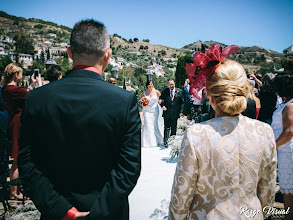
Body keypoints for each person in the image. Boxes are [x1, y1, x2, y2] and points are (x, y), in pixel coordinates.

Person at [18, 19, 141, 220]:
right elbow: (128, 168)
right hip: (108, 214)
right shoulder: (124, 101)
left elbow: (28, 164)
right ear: (107, 56)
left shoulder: (36, 99)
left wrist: (62, 210)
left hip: (55, 214)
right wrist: (97, 213)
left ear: (69, 53)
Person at [169, 44, 277, 220]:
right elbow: (267, 194)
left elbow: (181, 198)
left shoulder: (196, 134)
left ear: (209, 94)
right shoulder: (264, 131)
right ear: (244, 91)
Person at [1, 63, 42, 200]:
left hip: (13, 121)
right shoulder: (15, 90)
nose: (21, 76)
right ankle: (14, 192)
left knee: (16, 159)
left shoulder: (6, 89)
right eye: (19, 73)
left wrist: (30, 85)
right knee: (18, 160)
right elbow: (34, 97)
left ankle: (15, 189)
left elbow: (25, 95)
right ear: (15, 74)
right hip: (19, 123)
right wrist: (38, 83)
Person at [271, 59, 293, 220]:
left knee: (287, 187)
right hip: (284, 150)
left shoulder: (290, 106)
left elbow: (289, 131)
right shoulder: (287, 103)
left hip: (287, 151)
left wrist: (272, 145)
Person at [159, 79, 184, 147]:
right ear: (168, 85)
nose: (171, 86)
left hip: (175, 112)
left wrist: (181, 112)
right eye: (170, 85)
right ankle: (166, 141)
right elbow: (160, 100)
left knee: (173, 127)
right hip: (167, 112)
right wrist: (162, 106)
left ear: (174, 84)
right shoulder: (165, 91)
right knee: (166, 127)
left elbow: (182, 102)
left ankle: (172, 141)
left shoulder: (180, 91)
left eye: (172, 84)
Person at [140, 80, 163, 148]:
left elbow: (161, 98)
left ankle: (158, 139)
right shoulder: (144, 93)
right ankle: (149, 142)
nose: (151, 86)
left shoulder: (156, 92)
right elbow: (141, 100)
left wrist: (160, 101)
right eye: (149, 84)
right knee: (147, 124)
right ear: (147, 85)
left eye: (152, 84)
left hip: (155, 110)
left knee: (154, 125)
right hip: (146, 111)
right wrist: (143, 103)